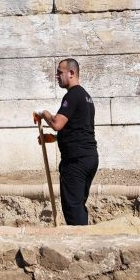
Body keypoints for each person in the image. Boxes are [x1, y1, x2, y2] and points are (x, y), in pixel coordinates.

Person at [36, 58, 99, 225]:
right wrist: (55, 139)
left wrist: (44, 114)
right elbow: (78, 130)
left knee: (72, 207)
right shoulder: (86, 97)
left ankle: (80, 245)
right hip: (89, 158)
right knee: (78, 204)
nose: (56, 76)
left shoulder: (72, 95)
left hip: (76, 162)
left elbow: (57, 123)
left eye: (59, 72)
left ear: (72, 73)